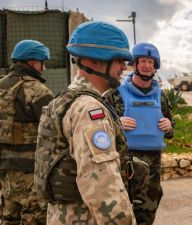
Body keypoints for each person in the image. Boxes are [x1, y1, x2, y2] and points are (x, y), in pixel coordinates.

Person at [34, 21, 148, 225]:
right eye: (119, 60)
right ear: (95, 61)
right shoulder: (88, 109)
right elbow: (102, 187)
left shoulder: (64, 100)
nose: (124, 66)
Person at [107, 42, 174, 225]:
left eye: (151, 62)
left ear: (155, 66)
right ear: (134, 64)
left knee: (147, 214)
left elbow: (170, 126)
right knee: (120, 214)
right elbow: (98, 129)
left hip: (153, 166)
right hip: (124, 162)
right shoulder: (115, 95)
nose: (147, 65)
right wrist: (116, 123)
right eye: (143, 61)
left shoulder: (160, 95)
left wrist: (169, 126)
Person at [0, 40, 53, 224]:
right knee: (35, 220)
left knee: (8, 219)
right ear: (32, 62)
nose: (43, 68)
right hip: (31, 172)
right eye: (42, 63)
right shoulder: (37, 90)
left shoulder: (1, 86)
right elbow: (56, 129)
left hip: (5, 171)